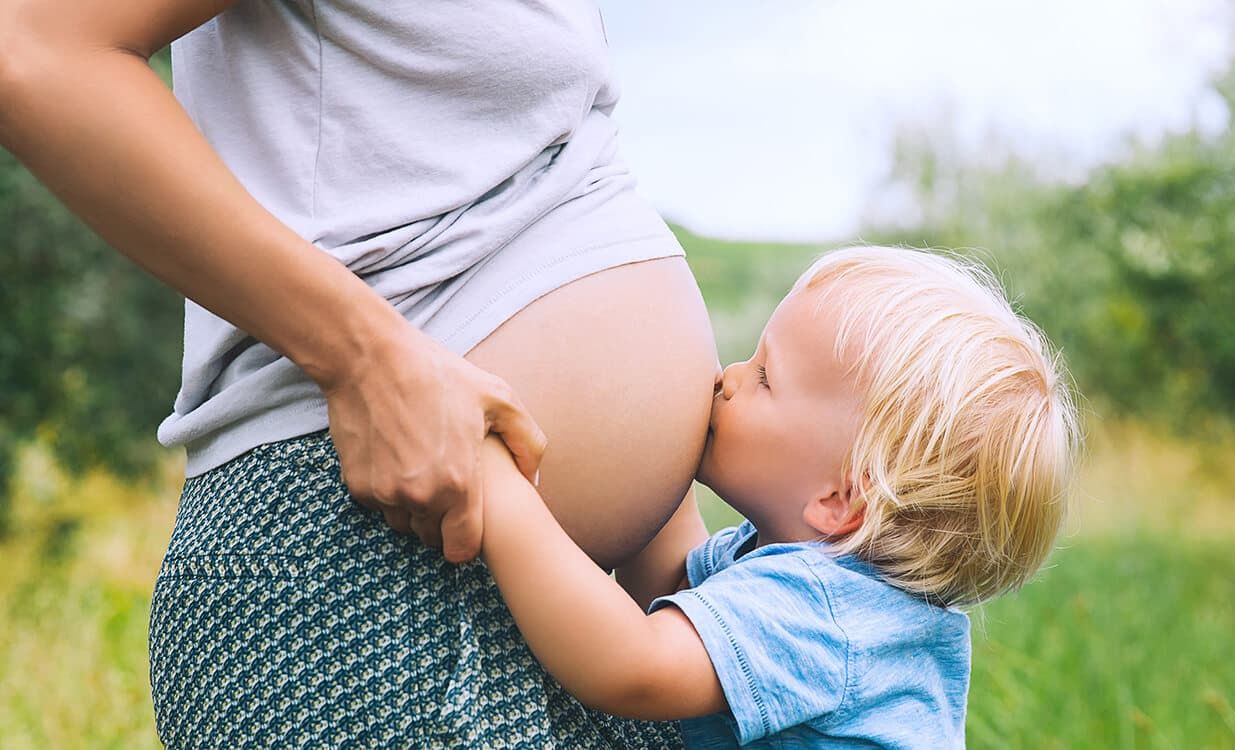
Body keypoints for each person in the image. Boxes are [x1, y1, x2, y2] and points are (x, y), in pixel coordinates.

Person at [0, 0, 716, 746]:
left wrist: (668, 530)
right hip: (359, 566)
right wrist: (366, 360)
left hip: (584, 612)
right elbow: (38, 49)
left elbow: (543, 183)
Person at [477, 246, 1082, 748]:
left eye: (765, 377)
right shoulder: (810, 575)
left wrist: (499, 488)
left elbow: (634, 668)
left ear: (839, 499)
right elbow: (669, 589)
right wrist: (655, 434)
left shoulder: (825, 616)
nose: (729, 378)